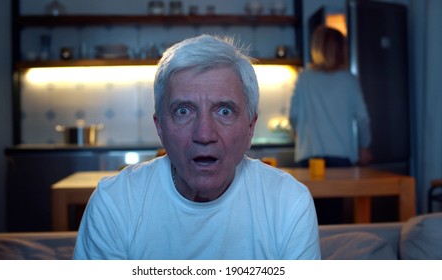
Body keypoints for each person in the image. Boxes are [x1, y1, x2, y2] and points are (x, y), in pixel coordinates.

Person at [73, 34, 320, 260]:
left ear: (250, 127)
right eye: (183, 111)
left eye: (224, 111)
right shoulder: (114, 204)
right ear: (160, 127)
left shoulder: (289, 203)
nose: (204, 134)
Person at [290, 25, 372, 224]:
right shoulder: (349, 80)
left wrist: (298, 135)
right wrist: (365, 146)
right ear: (341, 49)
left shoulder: (304, 78)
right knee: (335, 217)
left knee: (309, 217)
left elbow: (293, 116)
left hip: (309, 157)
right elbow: (362, 118)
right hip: (340, 158)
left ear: (316, 49)